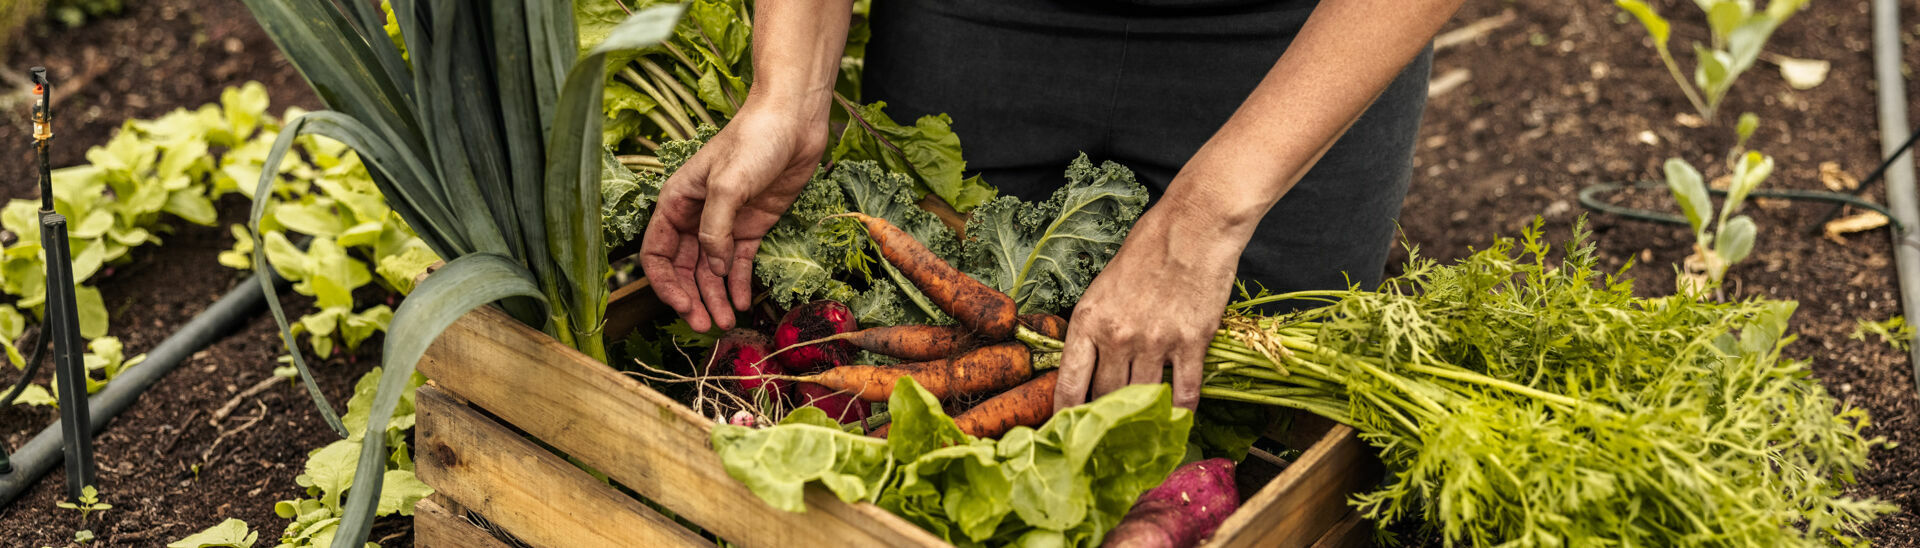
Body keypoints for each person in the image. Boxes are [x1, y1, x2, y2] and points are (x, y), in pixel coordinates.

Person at [639, 0, 1465, 414]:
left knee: (1253, 433)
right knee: (936, 397)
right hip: (974, 23)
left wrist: (1207, 216)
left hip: (1294, 42)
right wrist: (791, 87)